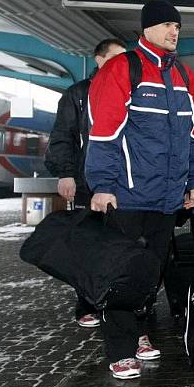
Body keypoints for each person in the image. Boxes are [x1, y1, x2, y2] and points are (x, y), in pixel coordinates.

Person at [85, 0, 194, 380]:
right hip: (127, 195)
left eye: (178, 26)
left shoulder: (184, 76)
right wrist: (102, 186)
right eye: (168, 24)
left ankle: (139, 333)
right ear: (147, 29)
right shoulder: (124, 68)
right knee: (122, 274)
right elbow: (103, 132)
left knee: (151, 274)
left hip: (166, 199)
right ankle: (120, 349)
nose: (175, 31)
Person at [44, 37, 126, 329]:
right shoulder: (77, 94)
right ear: (99, 60)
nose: (120, 64)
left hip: (119, 185)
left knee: (117, 246)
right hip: (85, 182)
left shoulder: (127, 90)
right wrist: (66, 173)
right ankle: (87, 305)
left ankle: (118, 303)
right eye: (114, 58)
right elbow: (63, 135)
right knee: (89, 245)